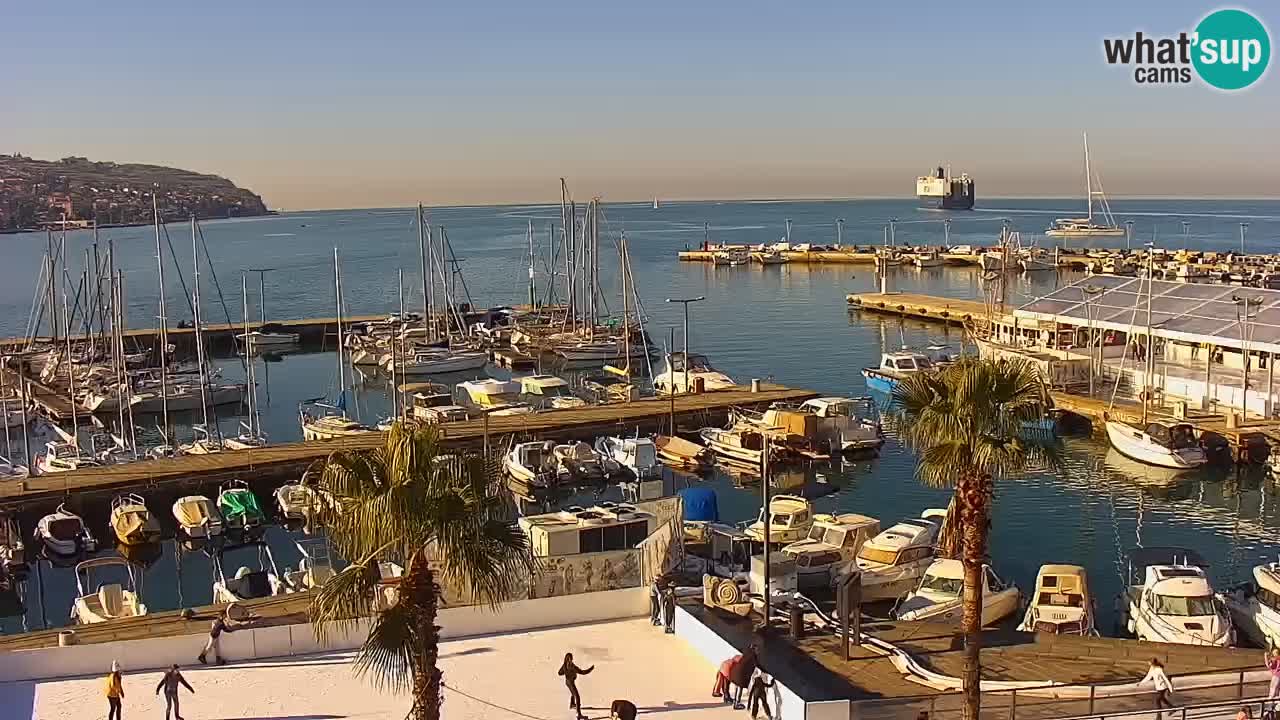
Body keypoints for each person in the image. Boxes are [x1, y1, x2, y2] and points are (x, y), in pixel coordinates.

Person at [558, 652, 594, 720]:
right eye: (570, 659)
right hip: (570, 683)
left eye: (570, 659)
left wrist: (565, 672)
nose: (570, 660)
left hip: (567, 682)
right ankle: (579, 714)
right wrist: (590, 669)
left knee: (573, 693)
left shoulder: (564, 665)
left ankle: (572, 704)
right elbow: (583, 672)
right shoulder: (572, 666)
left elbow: (559, 673)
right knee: (577, 696)